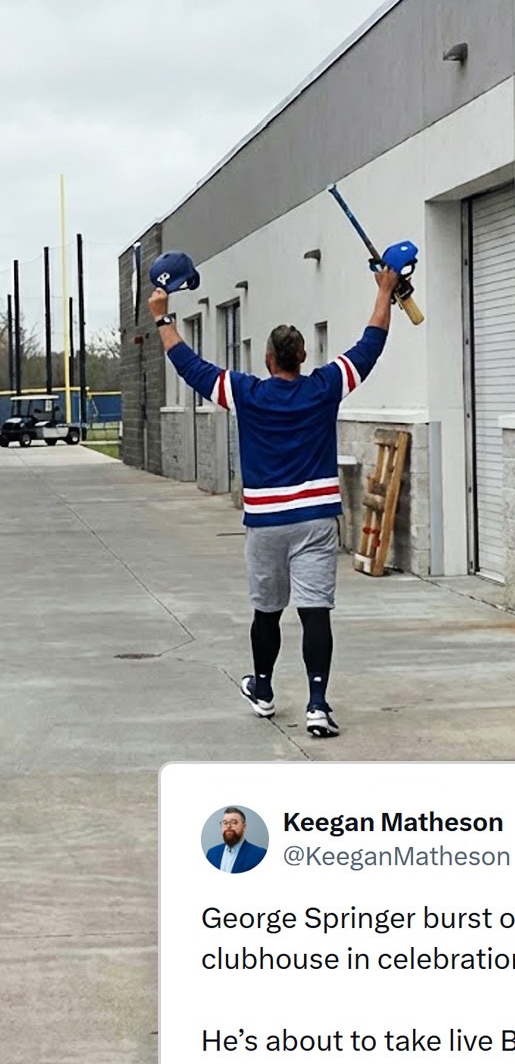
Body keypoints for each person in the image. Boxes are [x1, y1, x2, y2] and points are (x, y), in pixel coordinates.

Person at [150, 265, 401, 737]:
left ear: (267, 359)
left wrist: (164, 320)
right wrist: (385, 291)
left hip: (265, 522)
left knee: (267, 611)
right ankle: (318, 705)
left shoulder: (247, 394)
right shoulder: (325, 387)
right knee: (314, 613)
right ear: (303, 356)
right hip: (316, 520)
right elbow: (371, 345)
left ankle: (263, 690)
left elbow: (190, 367)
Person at [205, 807, 267, 873]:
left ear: (244, 827)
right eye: (225, 823)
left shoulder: (260, 855)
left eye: (233, 822)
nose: (228, 826)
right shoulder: (211, 853)